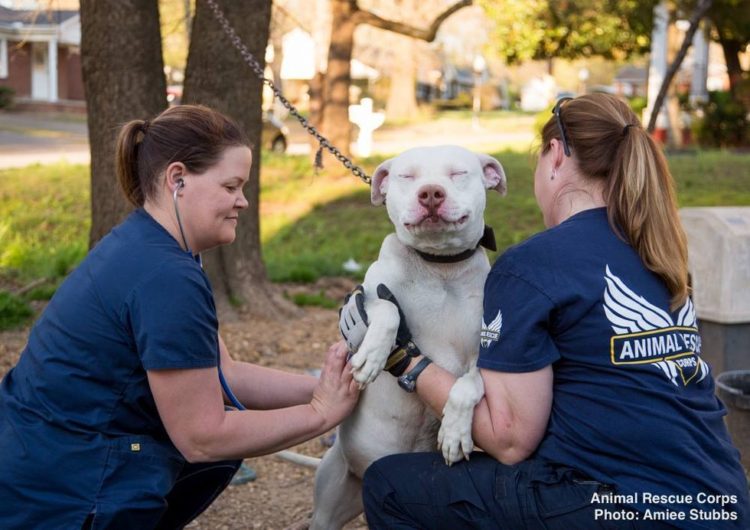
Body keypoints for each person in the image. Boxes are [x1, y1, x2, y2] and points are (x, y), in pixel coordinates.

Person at [342, 94, 749, 529]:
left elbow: (510, 441)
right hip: (722, 500)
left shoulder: (532, 266)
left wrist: (404, 359)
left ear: (554, 158)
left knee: (389, 482)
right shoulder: (660, 252)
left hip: (625, 510)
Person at [0, 104, 359, 529]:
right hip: (66, 489)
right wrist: (320, 414)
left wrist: (329, 389)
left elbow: (223, 374)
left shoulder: (149, 243)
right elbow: (202, 437)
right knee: (220, 444)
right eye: (231, 186)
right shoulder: (165, 276)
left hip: (38, 457)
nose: (243, 201)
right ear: (177, 178)